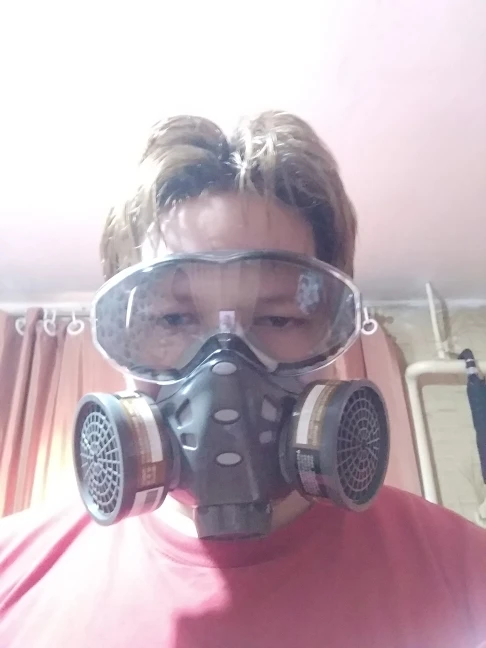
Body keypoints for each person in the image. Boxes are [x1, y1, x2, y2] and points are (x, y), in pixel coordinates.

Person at [0, 112, 485, 648]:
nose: (224, 366)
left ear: (333, 337)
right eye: (173, 319)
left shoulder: (467, 574)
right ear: (124, 338)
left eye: (279, 319)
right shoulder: (11, 574)